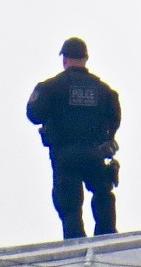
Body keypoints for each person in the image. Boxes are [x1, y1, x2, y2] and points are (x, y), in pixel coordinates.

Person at [27, 37, 121, 239]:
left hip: (65, 156)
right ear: (85, 59)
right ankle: (107, 242)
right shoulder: (104, 91)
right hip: (95, 153)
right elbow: (115, 118)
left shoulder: (51, 87)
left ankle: (76, 246)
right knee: (103, 194)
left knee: (69, 206)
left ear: (65, 59)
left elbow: (33, 114)